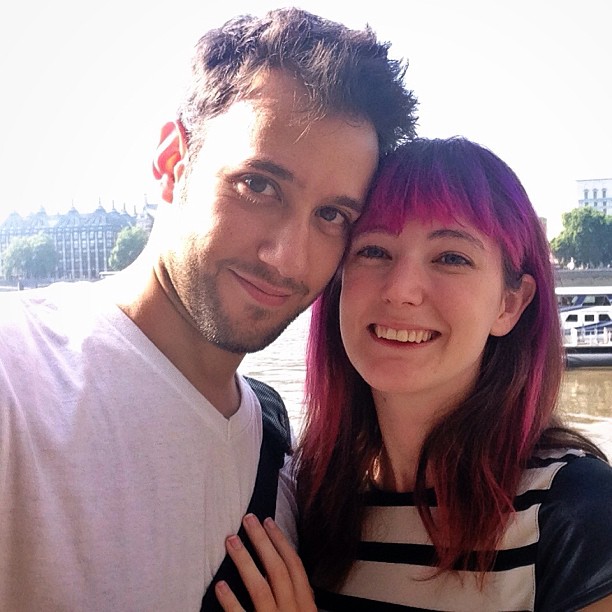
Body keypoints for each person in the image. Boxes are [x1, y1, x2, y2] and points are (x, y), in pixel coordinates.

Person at [0, 8, 417, 610]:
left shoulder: (282, 460)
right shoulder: (18, 379)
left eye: (333, 216)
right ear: (173, 162)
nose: (288, 258)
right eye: (259, 185)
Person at [217, 137, 612, 611]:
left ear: (510, 304)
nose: (401, 290)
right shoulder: (303, 493)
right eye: (375, 251)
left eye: (451, 258)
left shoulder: (576, 512)